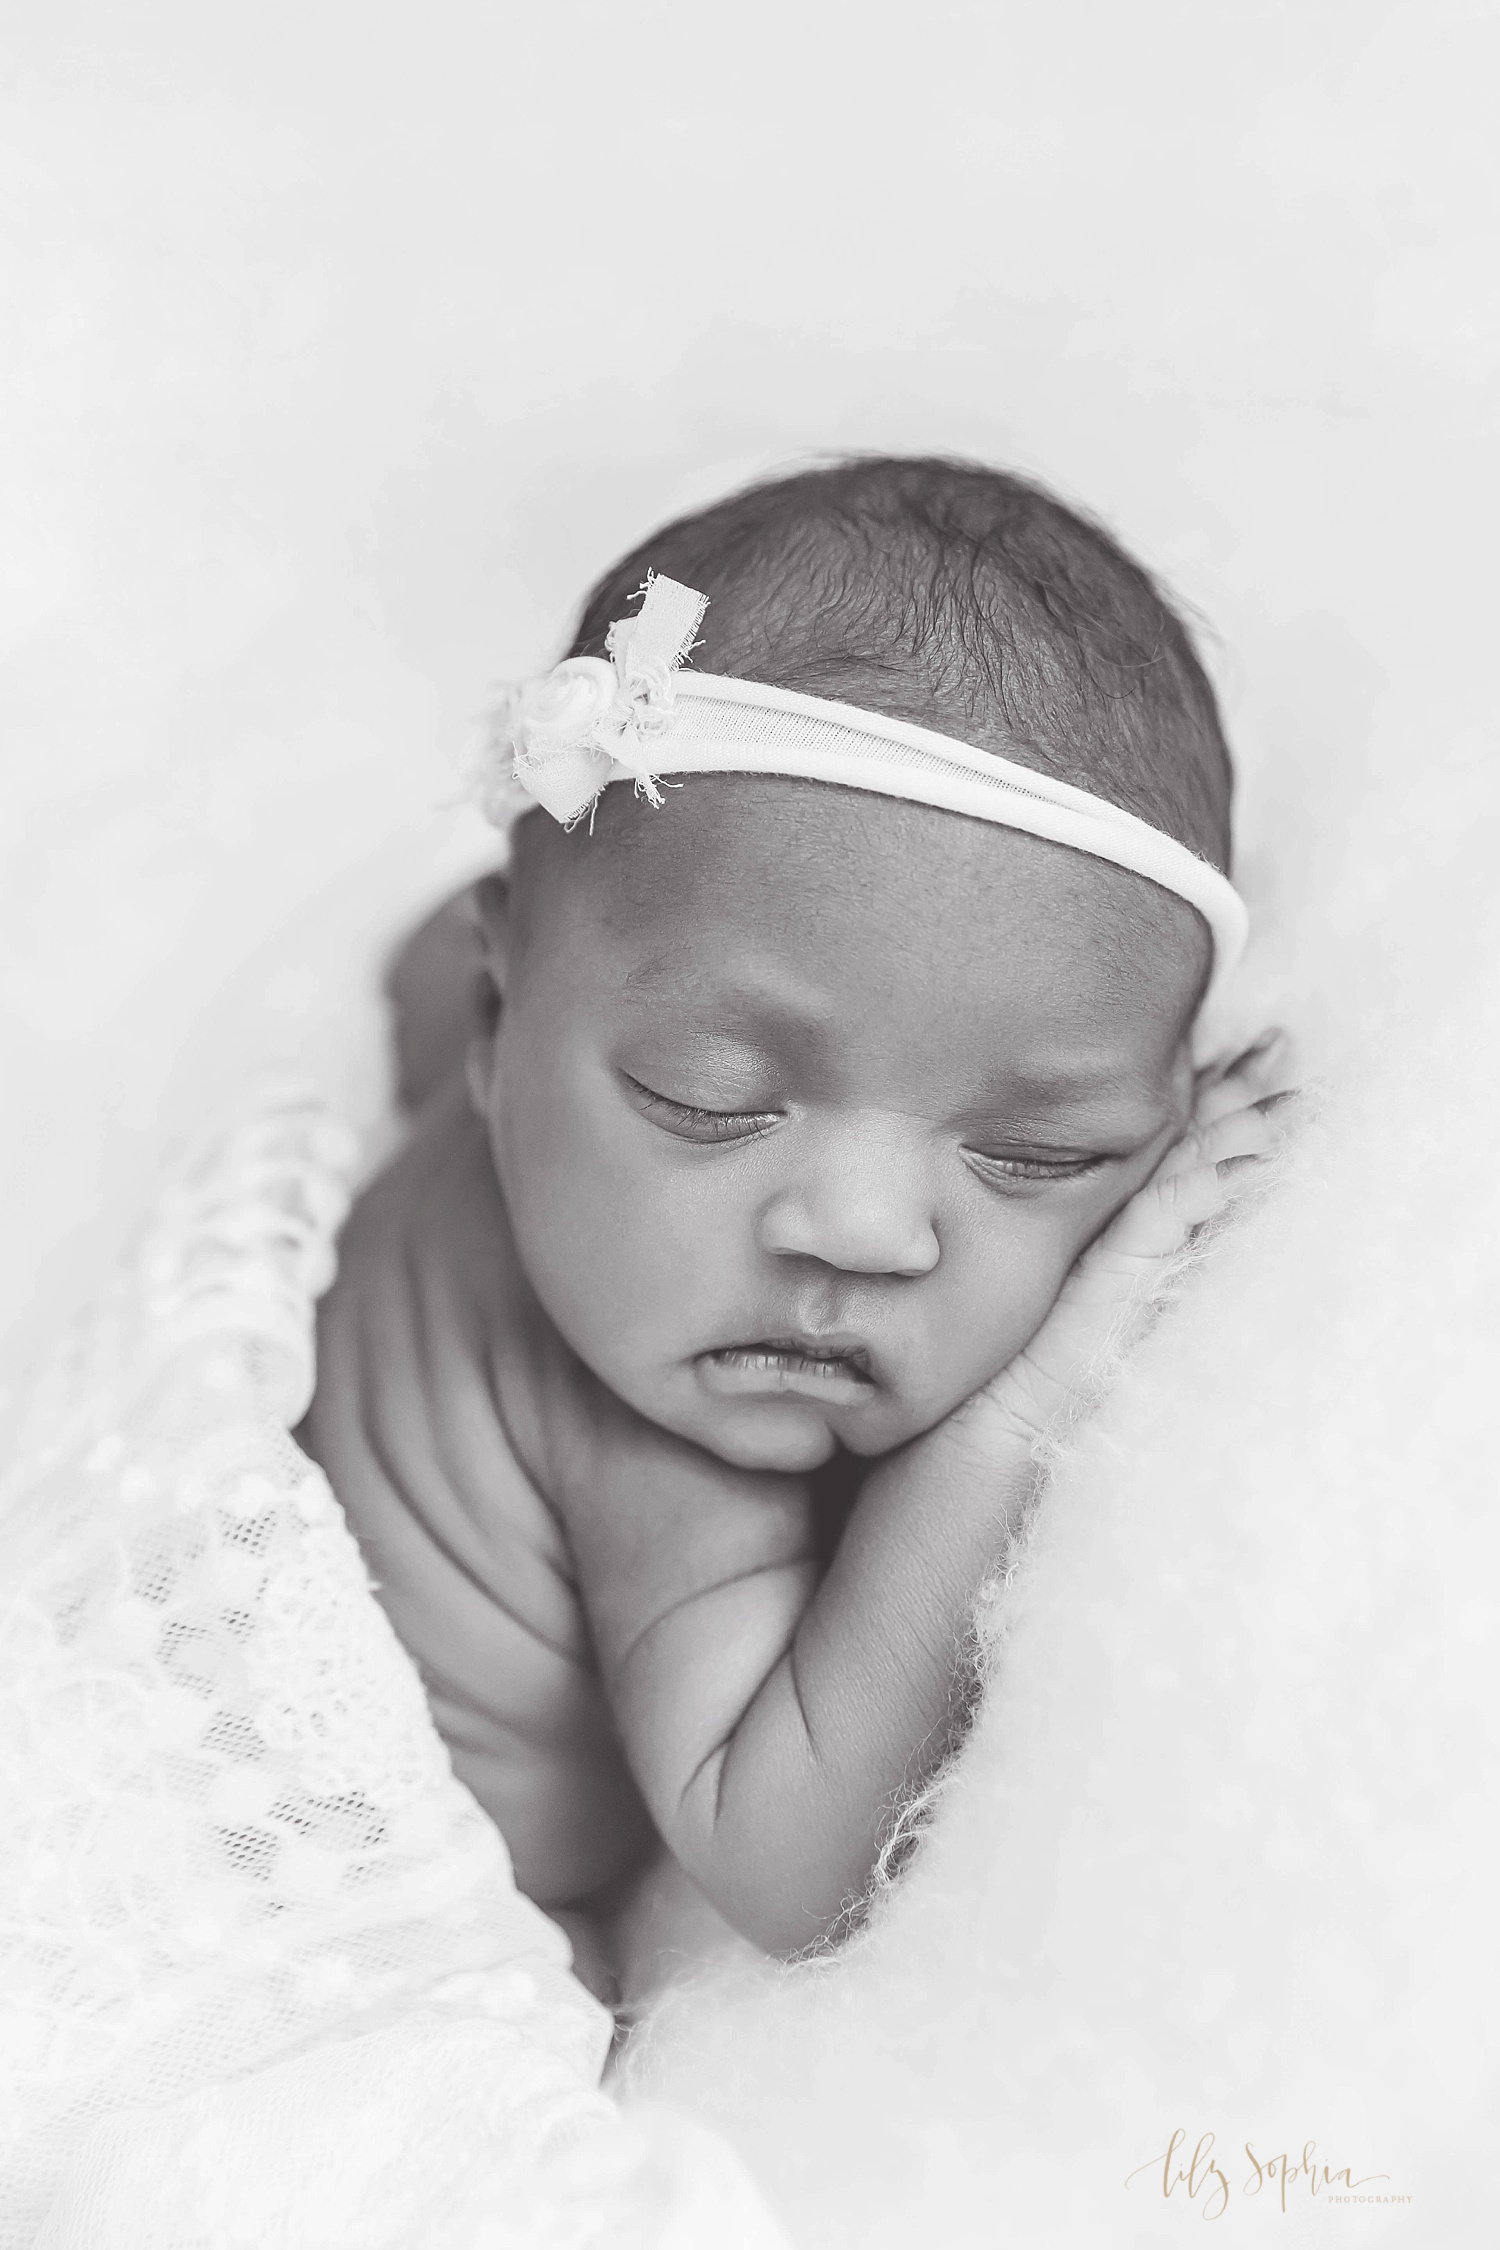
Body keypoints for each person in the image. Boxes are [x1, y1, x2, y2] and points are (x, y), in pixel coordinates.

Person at [296, 456, 1290, 1995]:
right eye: (709, 1098)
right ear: (507, 1010)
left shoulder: (539, 1079)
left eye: (1036, 1151)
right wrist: (1016, 1415)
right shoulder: (665, 1446)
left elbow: (429, 959)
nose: (866, 1232)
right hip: (311, 1902)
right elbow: (784, 1863)